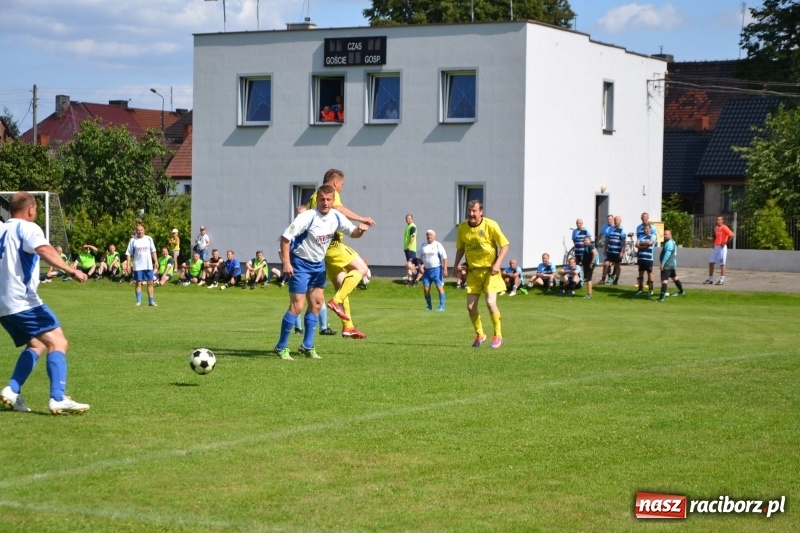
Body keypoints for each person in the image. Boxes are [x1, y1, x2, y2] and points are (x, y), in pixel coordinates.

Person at [0, 192, 90, 414]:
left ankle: (12, 390)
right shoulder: (29, 228)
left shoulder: (2, 229)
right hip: (23, 301)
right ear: (31, 209)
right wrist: (70, 269)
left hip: (3, 306)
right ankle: (58, 398)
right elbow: (43, 249)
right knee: (58, 342)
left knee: (37, 344)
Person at [274, 184, 368, 360]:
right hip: (300, 264)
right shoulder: (307, 217)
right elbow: (286, 238)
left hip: (318, 266)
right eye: (322, 199)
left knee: (317, 304)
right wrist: (286, 263)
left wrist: (361, 230)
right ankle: (281, 346)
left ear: (333, 201)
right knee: (297, 306)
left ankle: (307, 345)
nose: (325, 203)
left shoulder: (336, 217)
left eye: (329, 199)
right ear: (317, 199)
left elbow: (353, 233)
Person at [308, 169, 375, 340]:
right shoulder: (328, 193)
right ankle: (335, 302)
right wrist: (361, 218)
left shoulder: (312, 197)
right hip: (333, 244)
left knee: (342, 284)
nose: (341, 189)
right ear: (336, 183)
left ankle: (348, 327)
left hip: (320, 249)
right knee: (362, 268)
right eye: (342, 185)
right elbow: (337, 208)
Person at [452, 200, 509, 349]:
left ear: (481, 211)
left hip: (490, 271)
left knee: (490, 303)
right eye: (469, 211)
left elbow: (505, 245)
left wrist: (497, 264)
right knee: (470, 307)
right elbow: (461, 247)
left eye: (474, 211)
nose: (471, 214)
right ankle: (480, 334)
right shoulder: (463, 228)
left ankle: (498, 335)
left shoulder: (490, 225)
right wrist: (456, 264)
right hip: (473, 272)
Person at [126, 222, 158, 307]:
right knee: (138, 283)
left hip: (148, 265)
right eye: (138, 230)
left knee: (150, 283)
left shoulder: (149, 238)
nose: (140, 231)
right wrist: (128, 264)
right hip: (138, 266)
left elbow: (153, 251)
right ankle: (138, 301)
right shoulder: (132, 241)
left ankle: (151, 301)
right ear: (136, 231)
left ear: (144, 230)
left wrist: (156, 261)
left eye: (141, 230)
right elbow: (128, 253)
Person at [419, 229, 448, 311]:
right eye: (427, 235)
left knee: (439, 287)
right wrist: (420, 266)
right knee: (426, 289)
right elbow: (418, 257)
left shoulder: (438, 245)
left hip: (437, 269)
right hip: (426, 271)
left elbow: (445, 258)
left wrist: (445, 269)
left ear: (434, 236)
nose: (429, 236)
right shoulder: (423, 246)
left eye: (430, 235)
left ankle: (442, 306)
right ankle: (429, 306)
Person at [658, 229, 686, 302]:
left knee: (664, 280)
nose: (664, 236)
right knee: (674, 278)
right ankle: (682, 291)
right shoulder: (672, 242)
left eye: (666, 234)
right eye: (664, 234)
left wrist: (663, 263)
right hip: (672, 264)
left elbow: (668, 253)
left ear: (670, 235)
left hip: (667, 265)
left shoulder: (669, 243)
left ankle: (661, 297)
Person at [705, 216, 734, 285]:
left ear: (722, 221)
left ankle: (722, 279)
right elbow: (715, 236)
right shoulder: (716, 228)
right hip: (716, 247)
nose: (718, 221)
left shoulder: (724, 227)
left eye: (719, 220)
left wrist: (725, 242)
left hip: (722, 248)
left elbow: (731, 235)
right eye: (717, 220)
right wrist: (713, 243)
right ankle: (710, 278)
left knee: (722, 264)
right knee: (711, 263)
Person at [599, 215, 625, 285]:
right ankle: (603, 279)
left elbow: (623, 242)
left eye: (618, 220)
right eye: (615, 220)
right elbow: (607, 239)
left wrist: (622, 252)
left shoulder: (622, 230)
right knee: (606, 264)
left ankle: (616, 280)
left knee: (617, 265)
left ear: (620, 221)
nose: (616, 221)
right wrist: (605, 249)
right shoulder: (610, 229)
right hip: (610, 250)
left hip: (617, 251)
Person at [634, 223, 656, 297]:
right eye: (645, 229)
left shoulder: (653, 236)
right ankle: (640, 289)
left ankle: (651, 289)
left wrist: (641, 244)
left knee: (650, 273)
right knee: (640, 273)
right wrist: (644, 245)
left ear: (650, 229)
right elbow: (636, 245)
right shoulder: (641, 236)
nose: (646, 230)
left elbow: (650, 243)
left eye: (647, 229)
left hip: (648, 258)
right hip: (641, 258)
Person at [403, 214, 418, 284]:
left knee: (409, 264)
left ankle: (416, 273)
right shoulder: (408, 227)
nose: (407, 219)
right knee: (410, 265)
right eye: (406, 218)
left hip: (411, 249)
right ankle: (410, 279)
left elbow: (413, 236)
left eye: (409, 218)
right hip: (407, 249)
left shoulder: (412, 226)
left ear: (412, 219)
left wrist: (409, 245)